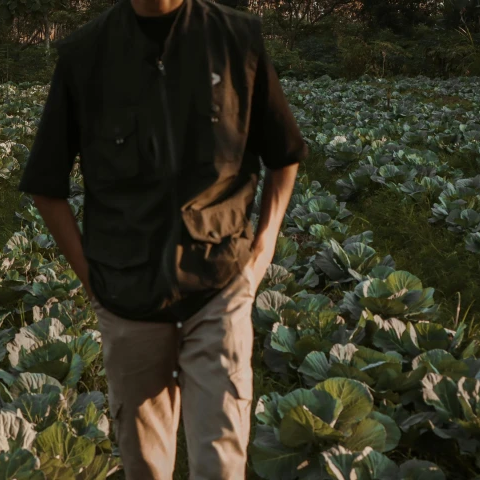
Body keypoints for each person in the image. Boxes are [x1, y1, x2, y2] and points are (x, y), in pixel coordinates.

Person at [17, 0, 309, 477]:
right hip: (127, 298)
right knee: (145, 469)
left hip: (219, 288)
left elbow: (285, 154)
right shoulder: (86, 52)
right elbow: (45, 186)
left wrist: (262, 251)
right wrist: (94, 285)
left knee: (219, 465)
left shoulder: (236, 39)